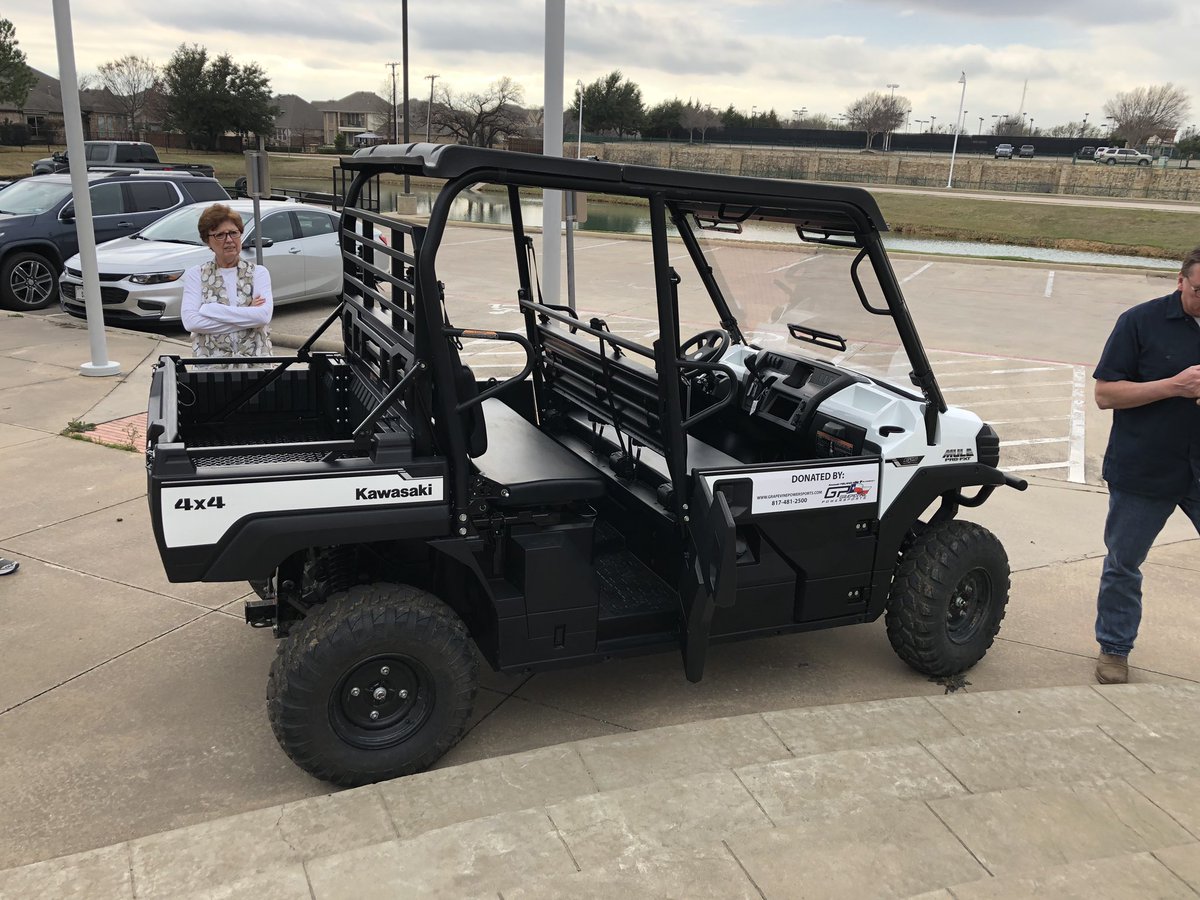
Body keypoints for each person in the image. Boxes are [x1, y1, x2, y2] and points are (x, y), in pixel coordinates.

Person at [1092, 246, 1200, 684]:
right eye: (1199, 291)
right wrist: (1173, 386)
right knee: (1124, 563)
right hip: (1144, 468)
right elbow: (1106, 395)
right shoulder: (1139, 322)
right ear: (1180, 282)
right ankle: (1114, 649)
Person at [181, 203, 273, 360]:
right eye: (220, 235)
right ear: (208, 241)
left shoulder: (259, 273)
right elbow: (191, 323)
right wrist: (248, 316)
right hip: (211, 367)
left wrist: (209, 310)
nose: (229, 240)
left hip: (256, 364)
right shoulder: (196, 275)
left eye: (234, 233)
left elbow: (262, 317)